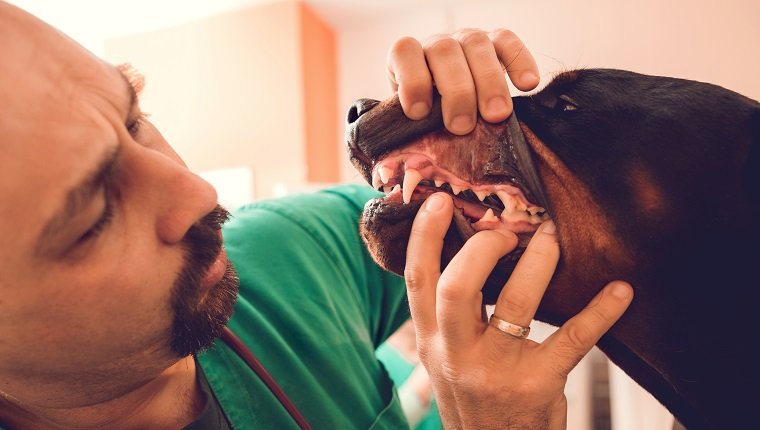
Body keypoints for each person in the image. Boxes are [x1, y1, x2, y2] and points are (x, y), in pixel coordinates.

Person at [0, 1, 633, 429]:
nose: (196, 193)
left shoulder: (290, 249)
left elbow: (524, 212)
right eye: (92, 219)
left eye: (135, 120)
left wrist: (466, 140)